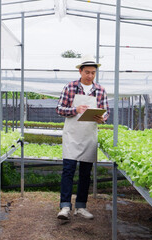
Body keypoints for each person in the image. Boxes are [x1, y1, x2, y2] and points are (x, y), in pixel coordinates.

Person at [55, 55, 110, 220]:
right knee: (68, 170)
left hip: (88, 136)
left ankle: (81, 206)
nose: (90, 76)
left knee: (86, 173)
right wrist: (75, 109)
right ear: (80, 71)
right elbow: (59, 108)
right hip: (72, 135)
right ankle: (65, 206)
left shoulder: (100, 90)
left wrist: (102, 118)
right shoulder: (70, 87)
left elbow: (106, 111)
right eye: (87, 72)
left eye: (93, 73)